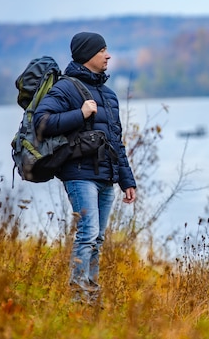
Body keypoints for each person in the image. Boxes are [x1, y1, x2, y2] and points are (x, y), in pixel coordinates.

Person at [34, 31, 137, 305]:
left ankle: (91, 294)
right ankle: (79, 297)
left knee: (98, 238)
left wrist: (128, 181)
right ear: (88, 55)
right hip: (79, 174)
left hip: (106, 176)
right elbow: (41, 123)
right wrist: (80, 114)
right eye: (103, 50)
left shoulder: (109, 96)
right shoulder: (66, 88)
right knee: (88, 233)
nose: (108, 55)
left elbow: (117, 142)